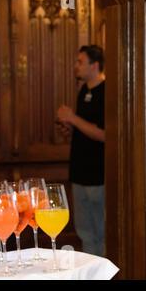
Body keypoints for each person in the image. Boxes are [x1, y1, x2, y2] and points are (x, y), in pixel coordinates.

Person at [56, 45, 106, 256]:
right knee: (85, 233)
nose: (76, 66)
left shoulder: (106, 92)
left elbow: (104, 135)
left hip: (97, 175)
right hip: (79, 173)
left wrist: (72, 118)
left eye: (80, 62)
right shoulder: (83, 90)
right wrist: (70, 127)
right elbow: (85, 128)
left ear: (94, 66)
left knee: (101, 233)